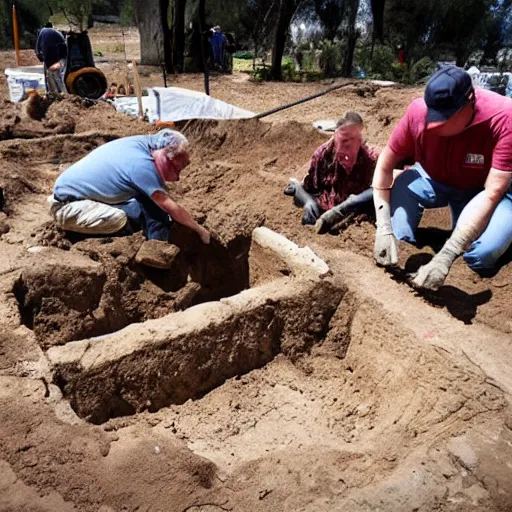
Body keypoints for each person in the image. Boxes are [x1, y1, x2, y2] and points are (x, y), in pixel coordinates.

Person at [372, 65, 512, 290]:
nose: (434, 124)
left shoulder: (504, 118)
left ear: (469, 101)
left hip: (481, 191)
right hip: (433, 179)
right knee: (397, 233)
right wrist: (383, 227)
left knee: (480, 256)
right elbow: (384, 164)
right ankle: (399, 239)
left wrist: (447, 254)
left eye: (446, 117)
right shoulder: (418, 112)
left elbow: (493, 191)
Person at [48, 129, 210, 268]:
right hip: (69, 208)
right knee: (132, 218)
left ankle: (156, 244)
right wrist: (199, 229)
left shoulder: (143, 144)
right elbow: (168, 206)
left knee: (147, 204)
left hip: (75, 195)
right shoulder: (142, 166)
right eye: (177, 169)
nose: (177, 178)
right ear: (166, 156)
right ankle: (82, 238)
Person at [284, 112, 378, 231]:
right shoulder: (322, 155)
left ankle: (341, 209)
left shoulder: (367, 158)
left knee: (374, 192)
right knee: (310, 205)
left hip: (351, 206)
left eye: (354, 139)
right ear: (336, 135)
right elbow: (311, 186)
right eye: (344, 140)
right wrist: (308, 202)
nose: (348, 146)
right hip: (326, 203)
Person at [35, 23, 67, 94]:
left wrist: (40, 58)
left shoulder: (42, 31)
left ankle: (52, 92)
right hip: (61, 55)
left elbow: (37, 48)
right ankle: (61, 91)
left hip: (50, 53)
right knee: (59, 75)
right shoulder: (56, 32)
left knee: (49, 74)